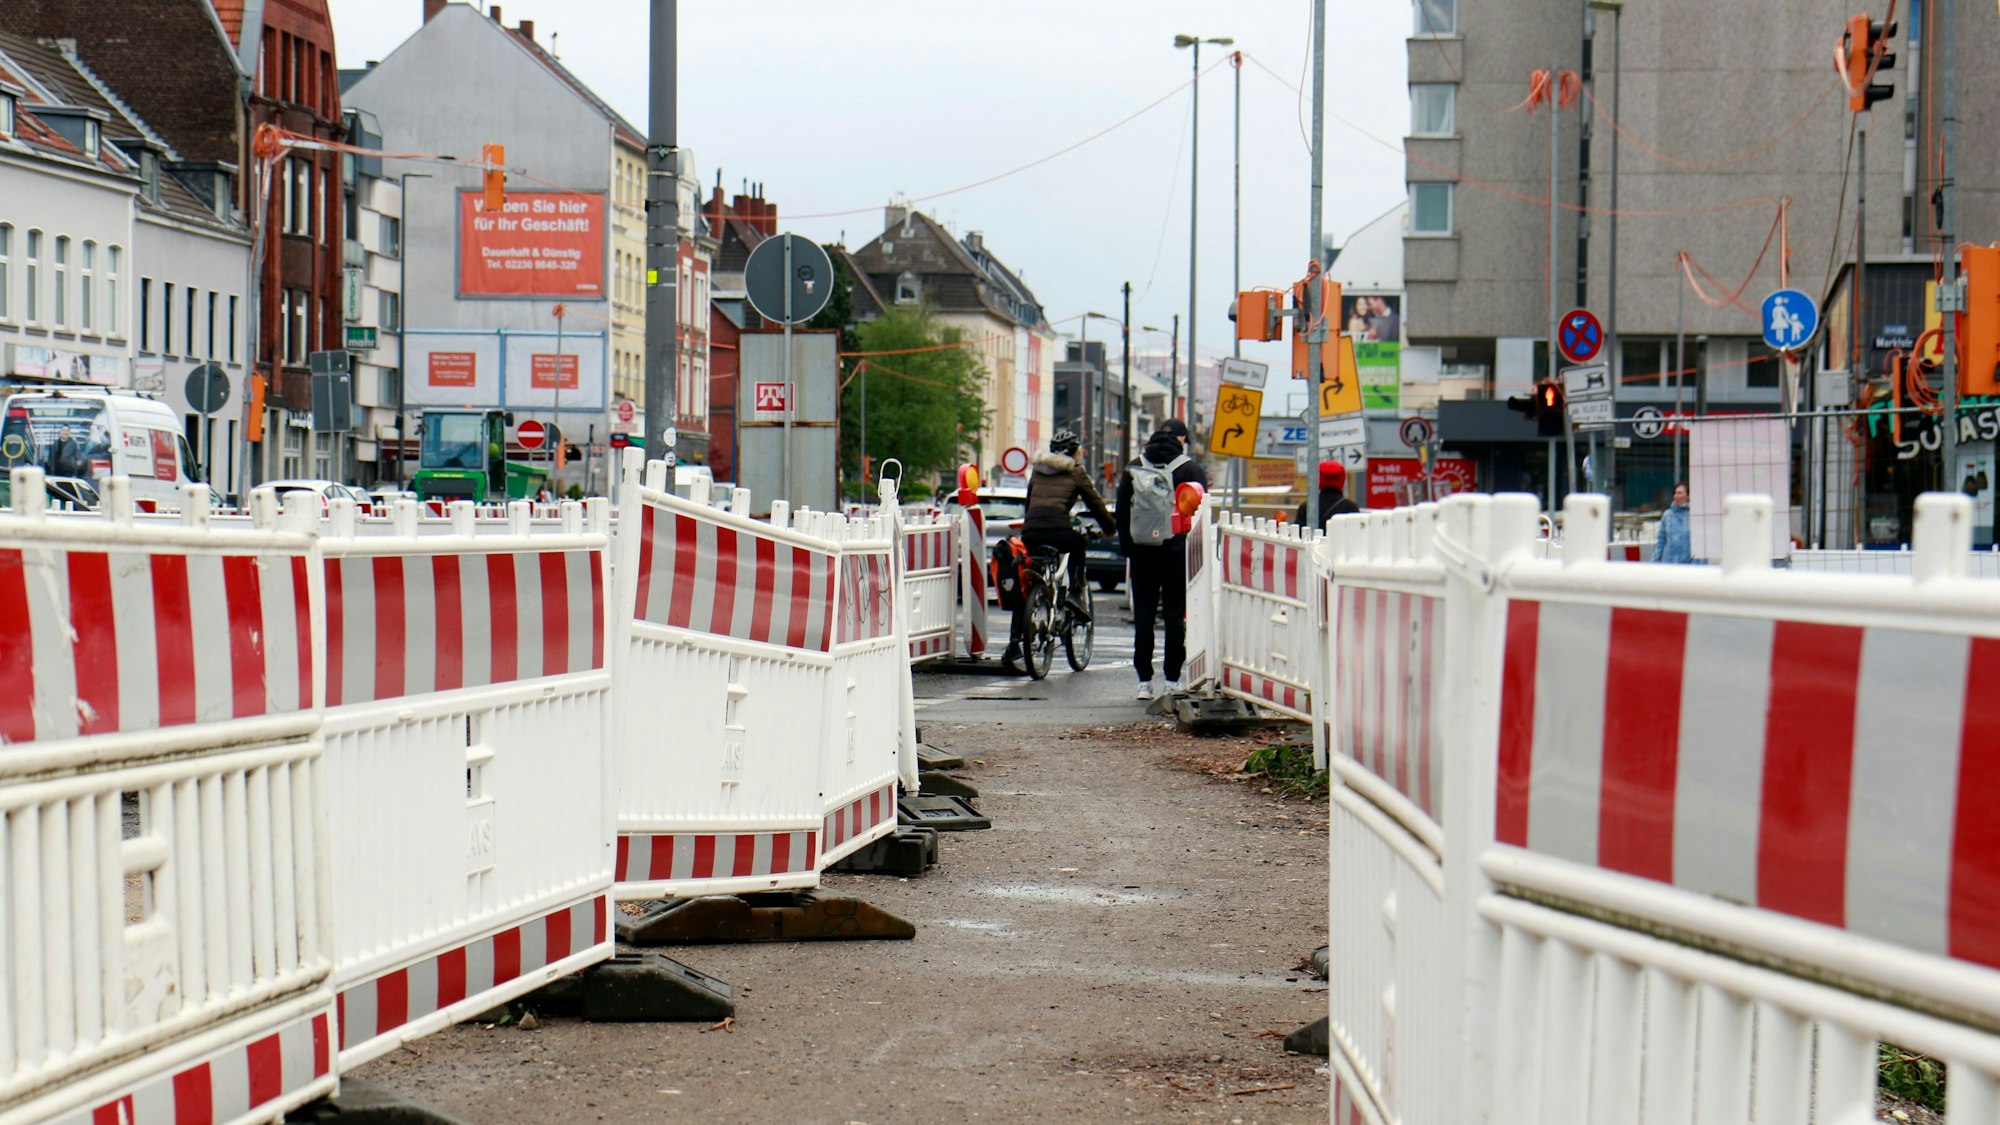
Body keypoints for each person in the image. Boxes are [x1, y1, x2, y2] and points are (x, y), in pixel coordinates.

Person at [1003, 429, 1115, 671]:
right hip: (1058, 530)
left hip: (1031, 532)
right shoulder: (1076, 471)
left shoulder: (1037, 470)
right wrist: (1109, 528)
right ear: (1074, 452)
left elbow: (1029, 502)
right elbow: (1095, 503)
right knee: (1078, 543)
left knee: (1028, 585)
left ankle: (1013, 644)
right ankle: (1075, 591)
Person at [1118, 426, 1207, 700]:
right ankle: (1172, 679)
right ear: (1180, 442)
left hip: (1143, 552)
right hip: (1176, 552)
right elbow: (1201, 512)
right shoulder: (1190, 470)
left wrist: (1128, 548)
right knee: (1174, 615)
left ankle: (1144, 681)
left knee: (1143, 616)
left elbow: (1122, 510)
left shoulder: (1134, 467)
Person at [1294, 459, 1361, 531]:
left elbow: (1297, 534)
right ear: (1342, 481)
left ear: (1320, 480)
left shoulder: (1307, 507)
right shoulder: (1351, 508)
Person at [1653, 482, 1694, 564]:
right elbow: (1661, 540)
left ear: (1688, 496)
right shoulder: (1667, 515)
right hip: (1669, 563)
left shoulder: (1694, 515)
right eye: (1675, 493)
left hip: (1689, 565)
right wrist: (1655, 561)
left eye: (1680, 493)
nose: (1676, 496)